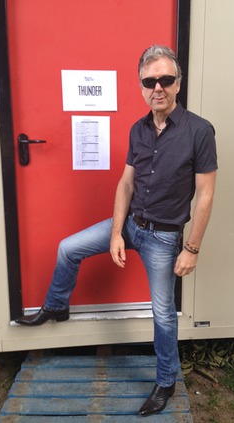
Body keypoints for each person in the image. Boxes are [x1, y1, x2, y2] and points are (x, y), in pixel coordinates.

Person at [15, 44, 218, 417]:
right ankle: (57, 306)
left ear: (178, 84)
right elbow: (126, 183)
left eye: (165, 79)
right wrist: (115, 233)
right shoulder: (137, 130)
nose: (157, 87)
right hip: (129, 224)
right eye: (149, 81)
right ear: (141, 86)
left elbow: (205, 195)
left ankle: (165, 381)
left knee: (163, 314)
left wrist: (191, 248)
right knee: (67, 248)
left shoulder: (199, 131)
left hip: (164, 237)